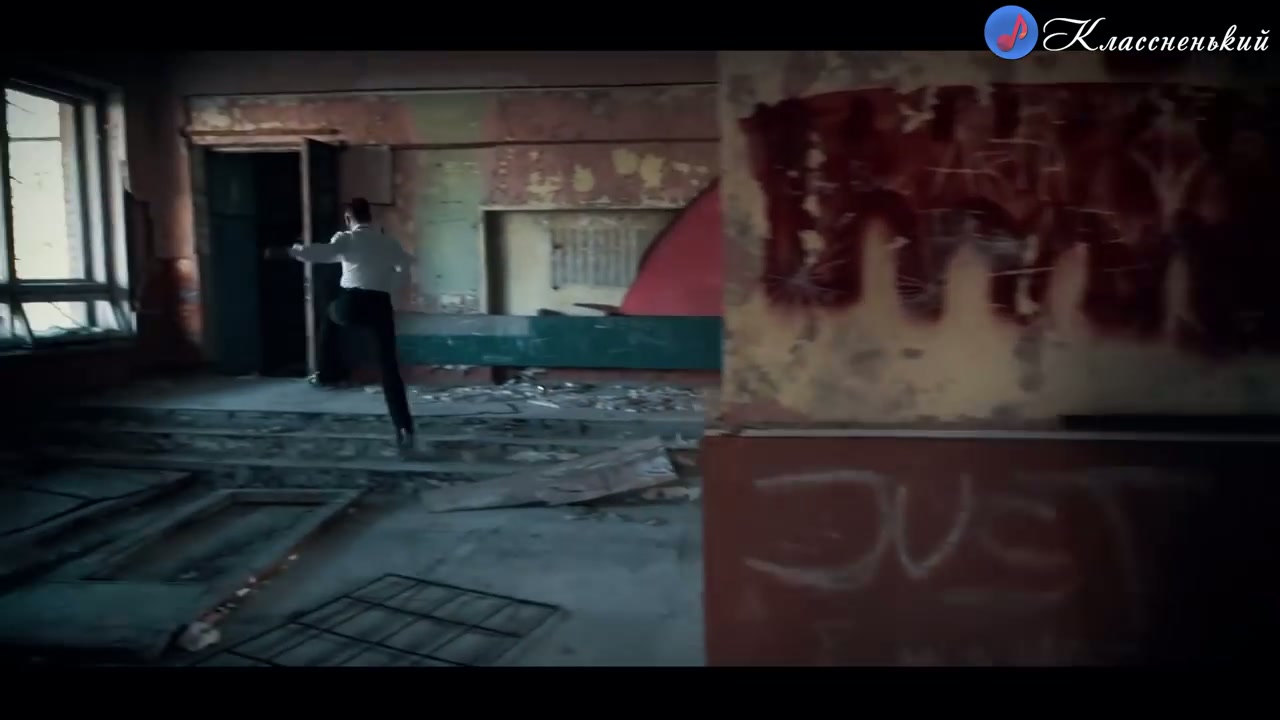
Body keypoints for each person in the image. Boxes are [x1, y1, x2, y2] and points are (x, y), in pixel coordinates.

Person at [285, 198, 416, 452]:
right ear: (370, 216)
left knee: (330, 314)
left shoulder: (346, 239)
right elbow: (405, 266)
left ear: (348, 219)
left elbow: (321, 253)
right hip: (380, 305)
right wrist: (391, 283)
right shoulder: (388, 243)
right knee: (389, 369)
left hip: (352, 305)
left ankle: (324, 373)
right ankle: (404, 429)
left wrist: (296, 251)